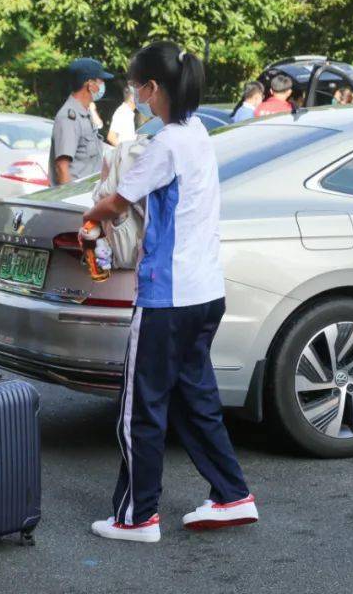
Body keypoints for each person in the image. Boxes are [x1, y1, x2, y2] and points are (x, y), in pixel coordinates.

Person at [83, 41, 258, 544]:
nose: (134, 93)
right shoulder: (198, 133)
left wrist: (91, 220)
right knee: (196, 399)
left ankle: (137, 516)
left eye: (137, 84)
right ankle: (231, 494)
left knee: (141, 407)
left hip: (167, 299)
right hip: (205, 294)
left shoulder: (164, 145)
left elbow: (117, 201)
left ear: (153, 89)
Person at [50, 57, 113, 185]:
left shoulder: (85, 114)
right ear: (90, 84)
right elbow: (62, 168)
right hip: (76, 200)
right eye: (100, 81)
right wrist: (70, 202)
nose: (102, 85)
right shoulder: (69, 118)